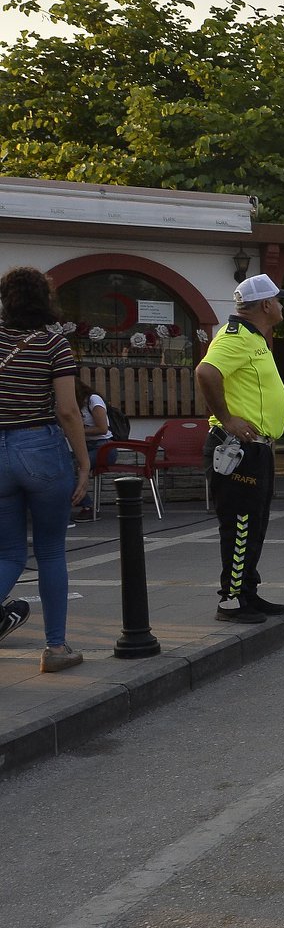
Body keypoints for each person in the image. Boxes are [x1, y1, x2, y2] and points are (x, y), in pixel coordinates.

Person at [0, 267, 90, 670]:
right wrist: (84, 462)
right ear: (45, 299)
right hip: (40, 446)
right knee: (51, 552)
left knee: (8, 554)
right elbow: (68, 410)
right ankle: (56, 649)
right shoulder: (55, 345)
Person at [196, 273, 284, 626]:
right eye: (278, 301)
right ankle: (232, 600)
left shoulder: (254, 338)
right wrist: (226, 419)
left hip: (255, 448)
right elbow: (206, 372)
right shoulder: (236, 338)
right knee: (240, 525)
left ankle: (247, 591)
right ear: (266, 305)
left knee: (253, 526)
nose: (282, 306)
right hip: (236, 447)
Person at [72, 377, 111, 519]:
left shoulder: (93, 400)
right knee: (59, 465)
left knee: (72, 467)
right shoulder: (74, 405)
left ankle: (87, 507)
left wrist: (77, 430)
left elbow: (102, 428)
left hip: (104, 447)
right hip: (85, 446)